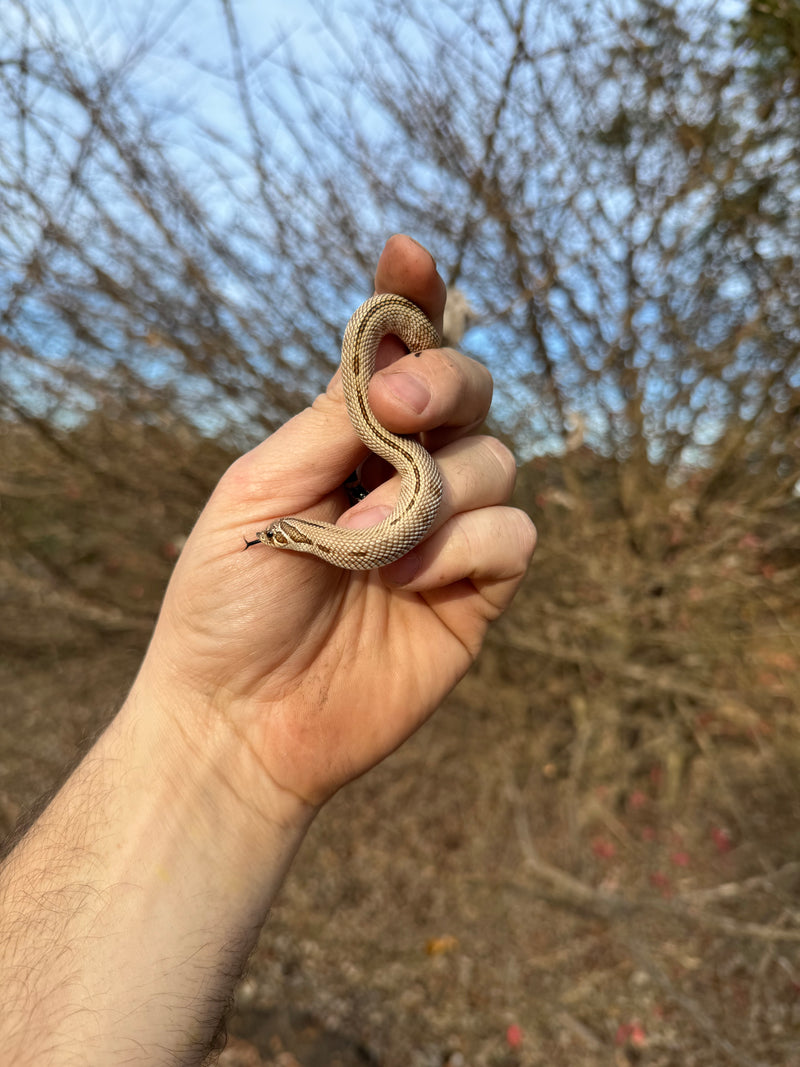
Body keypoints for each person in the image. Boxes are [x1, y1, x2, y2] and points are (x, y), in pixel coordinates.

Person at [0, 235, 536, 1066]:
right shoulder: (310, 526)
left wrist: (219, 744)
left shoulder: (353, 482)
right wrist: (210, 735)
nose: (269, 539)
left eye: (279, 535)